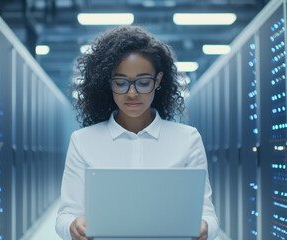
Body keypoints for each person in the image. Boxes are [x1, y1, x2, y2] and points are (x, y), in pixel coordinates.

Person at [55, 25, 218, 240]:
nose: (132, 93)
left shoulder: (187, 140)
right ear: (108, 83)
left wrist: (205, 227)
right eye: (121, 83)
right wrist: (73, 226)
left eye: (143, 82)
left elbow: (208, 215)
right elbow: (65, 216)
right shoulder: (83, 141)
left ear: (158, 80)